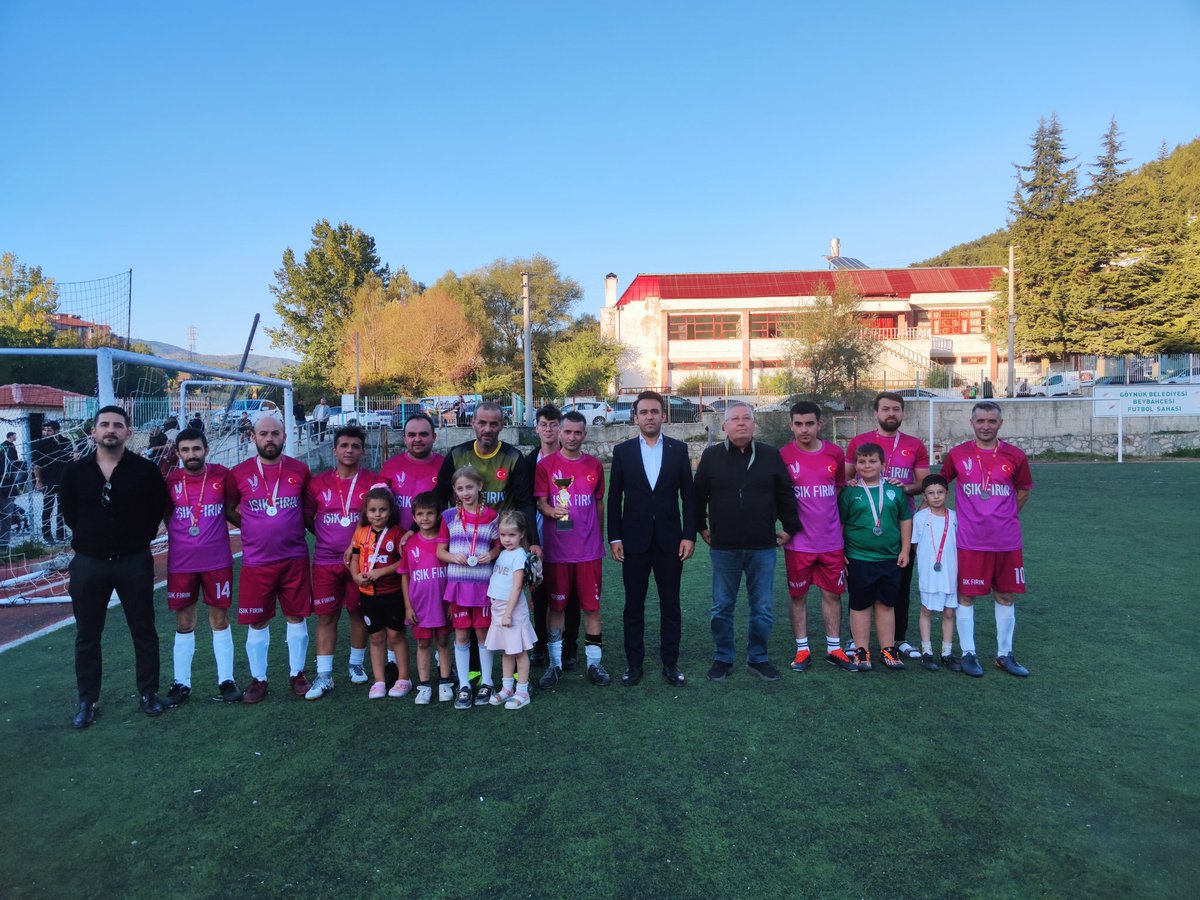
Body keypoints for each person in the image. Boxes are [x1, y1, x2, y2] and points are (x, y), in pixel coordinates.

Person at [60, 406, 169, 728]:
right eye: (104, 425)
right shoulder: (75, 472)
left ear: (128, 432)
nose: (111, 430)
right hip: (89, 563)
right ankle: (87, 700)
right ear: (93, 432)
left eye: (117, 425)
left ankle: (149, 693)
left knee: (144, 630)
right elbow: (70, 515)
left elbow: (155, 511)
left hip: (133, 561)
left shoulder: (145, 471)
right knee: (88, 635)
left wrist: (135, 540)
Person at [694, 402, 800, 682]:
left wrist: (790, 527)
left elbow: (786, 494)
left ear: (754, 424)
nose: (741, 423)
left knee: (762, 608)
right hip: (724, 548)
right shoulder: (711, 456)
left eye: (746, 419)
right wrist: (701, 527)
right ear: (724, 426)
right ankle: (723, 658)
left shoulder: (770, 455)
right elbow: (697, 497)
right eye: (734, 419)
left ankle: (758, 658)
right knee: (721, 607)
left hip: (762, 546)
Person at [939, 401, 1033, 678]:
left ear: (1000, 424)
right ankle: (969, 653)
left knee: (1004, 595)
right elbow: (940, 485)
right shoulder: (957, 454)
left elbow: (1024, 490)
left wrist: (1003, 516)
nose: (986, 426)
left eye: (992, 421)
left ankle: (1005, 655)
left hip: (1006, 540)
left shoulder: (1015, 455)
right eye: (980, 421)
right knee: (966, 596)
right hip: (969, 540)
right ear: (972, 423)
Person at [607, 390, 695, 687]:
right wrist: (615, 537)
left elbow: (690, 497)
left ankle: (670, 663)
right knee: (634, 605)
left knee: (670, 604)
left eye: (654, 411)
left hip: (671, 542)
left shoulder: (678, 449)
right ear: (635, 417)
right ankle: (634, 665)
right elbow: (614, 498)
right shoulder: (623, 451)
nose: (649, 416)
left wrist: (689, 535)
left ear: (663, 416)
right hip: (633, 542)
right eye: (643, 412)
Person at [225, 413, 314, 704]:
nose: (269, 439)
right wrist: (251, 526)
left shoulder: (300, 470)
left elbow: (307, 509)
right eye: (263, 433)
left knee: (296, 615)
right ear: (253, 437)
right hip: (256, 561)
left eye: (275, 433)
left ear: (284, 437)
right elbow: (230, 507)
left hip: (294, 557)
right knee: (257, 620)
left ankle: (297, 674)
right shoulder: (238, 473)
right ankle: (259, 679)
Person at [846, 392, 930, 661]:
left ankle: (898, 640)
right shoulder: (858, 443)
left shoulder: (915, 445)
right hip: (864, 525)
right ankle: (858, 642)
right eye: (885, 409)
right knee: (862, 590)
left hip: (901, 524)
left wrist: (901, 487)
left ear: (903, 413)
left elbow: (924, 485)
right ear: (875, 413)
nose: (890, 413)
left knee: (899, 587)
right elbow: (847, 479)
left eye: (896, 409)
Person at [162, 428, 241, 706]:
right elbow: (167, 515)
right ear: (178, 453)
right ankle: (181, 683)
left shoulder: (222, 475)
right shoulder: (170, 481)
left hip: (217, 562)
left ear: (206, 450)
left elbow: (233, 509)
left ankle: (226, 680)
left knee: (219, 620)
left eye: (196, 449)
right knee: (184, 622)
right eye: (185, 450)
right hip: (181, 564)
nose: (191, 455)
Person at [535, 411, 610, 687]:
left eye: (578, 432)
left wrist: (599, 538)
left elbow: (598, 502)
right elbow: (541, 502)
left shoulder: (594, 466)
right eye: (567, 432)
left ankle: (594, 664)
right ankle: (554, 665)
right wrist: (552, 510)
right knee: (556, 607)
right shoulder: (547, 466)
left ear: (585, 434)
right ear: (560, 433)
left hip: (589, 552)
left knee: (592, 608)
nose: (572, 437)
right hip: (557, 551)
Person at [779, 401, 856, 673]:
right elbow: (779, 496)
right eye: (798, 424)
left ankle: (834, 648)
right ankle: (802, 650)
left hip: (831, 541)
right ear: (791, 426)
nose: (804, 429)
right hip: (798, 543)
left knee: (832, 594)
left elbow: (838, 490)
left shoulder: (835, 453)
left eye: (809, 423)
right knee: (797, 595)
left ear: (819, 425)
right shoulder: (783, 455)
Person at [303, 426, 377, 699]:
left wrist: (354, 545)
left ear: (362, 451)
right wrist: (328, 537)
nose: (349, 450)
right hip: (324, 560)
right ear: (334, 450)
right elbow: (309, 518)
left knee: (358, 611)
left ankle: (356, 665)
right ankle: (324, 675)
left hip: (361, 560)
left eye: (355, 446)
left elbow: (376, 521)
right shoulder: (317, 483)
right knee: (326, 615)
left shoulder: (373, 482)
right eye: (344, 445)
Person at [838, 443, 913, 671]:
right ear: (856, 465)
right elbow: (840, 523)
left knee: (886, 603)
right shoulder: (850, 492)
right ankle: (861, 650)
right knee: (860, 604)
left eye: (872, 461)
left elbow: (905, 520)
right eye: (862, 461)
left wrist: (905, 550)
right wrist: (840, 552)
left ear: (883, 464)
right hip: (859, 557)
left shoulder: (895, 490)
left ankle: (887, 649)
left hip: (889, 557)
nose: (867, 465)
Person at [518, 404, 581, 669]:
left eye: (554, 424)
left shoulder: (574, 458)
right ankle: (541, 646)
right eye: (544, 424)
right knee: (541, 593)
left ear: (561, 428)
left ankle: (570, 646)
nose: (549, 429)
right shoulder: (529, 462)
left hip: (570, 535)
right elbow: (527, 503)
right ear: (536, 428)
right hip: (540, 536)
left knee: (572, 594)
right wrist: (531, 539)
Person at [438, 465, 501, 709]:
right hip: (458, 584)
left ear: (480, 487)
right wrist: (453, 557)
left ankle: (487, 682)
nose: (465, 492)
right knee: (462, 634)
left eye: (470, 487)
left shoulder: (492, 516)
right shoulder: (449, 517)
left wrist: (491, 554)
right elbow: (440, 551)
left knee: (483, 633)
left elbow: (498, 546)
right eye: (460, 488)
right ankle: (464, 685)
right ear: (454, 490)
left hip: (483, 584)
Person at [345, 487, 408, 699]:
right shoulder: (361, 532)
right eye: (373, 510)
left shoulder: (397, 533)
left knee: (396, 635)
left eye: (382, 510)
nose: (377, 514)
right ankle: (379, 680)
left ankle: (404, 678)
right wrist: (355, 576)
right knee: (377, 637)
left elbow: (403, 562)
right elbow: (354, 558)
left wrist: (382, 572)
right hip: (368, 594)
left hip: (393, 592)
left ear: (390, 511)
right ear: (366, 511)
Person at [401, 491, 453, 704]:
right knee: (423, 644)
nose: (425, 518)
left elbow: (452, 574)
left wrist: (451, 602)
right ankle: (424, 685)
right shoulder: (410, 543)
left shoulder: (446, 543)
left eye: (429, 513)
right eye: (420, 514)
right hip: (420, 605)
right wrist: (408, 607)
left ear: (439, 515)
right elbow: (404, 576)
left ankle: (445, 682)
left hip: (442, 603)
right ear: (413, 517)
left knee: (443, 641)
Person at [483, 511, 537, 709]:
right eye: (503, 534)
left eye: (512, 535)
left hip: (511, 610)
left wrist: (507, 613)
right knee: (507, 650)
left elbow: (516, 587)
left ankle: (522, 690)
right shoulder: (504, 553)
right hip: (498, 607)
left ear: (521, 534)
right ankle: (507, 688)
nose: (507, 539)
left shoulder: (519, 556)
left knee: (519, 651)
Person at [911, 474, 961, 672]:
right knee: (926, 610)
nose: (936, 497)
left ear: (947, 494)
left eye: (940, 492)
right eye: (931, 493)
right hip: (929, 573)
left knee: (949, 612)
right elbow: (914, 544)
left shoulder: (955, 517)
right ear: (924, 495)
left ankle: (947, 653)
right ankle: (927, 652)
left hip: (950, 572)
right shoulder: (920, 517)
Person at [381, 413, 445, 533]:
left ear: (434, 437)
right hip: (395, 543)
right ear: (404, 438)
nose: (417, 439)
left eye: (423, 434)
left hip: (432, 545)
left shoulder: (445, 465)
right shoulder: (390, 466)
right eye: (411, 435)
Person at [32, 420, 72, 543]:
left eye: (49, 430)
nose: (46, 433)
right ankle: (47, 535)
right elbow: (37, 465)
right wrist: (38, 481)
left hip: (63, 480)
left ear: (56, 430)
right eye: (44, 430)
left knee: (62, 509)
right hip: (48, 480)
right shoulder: (40, 445)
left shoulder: (66, 442)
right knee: (47, 509)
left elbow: (71, 462)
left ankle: (61, 534)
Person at [0, 432, 21, 548]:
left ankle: (3, 545)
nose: (16, 437)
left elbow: (15, 465)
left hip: (8, 487)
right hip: (7, 485)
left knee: (7, 517)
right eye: (15, 435)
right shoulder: (3, 446)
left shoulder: (8, 447)